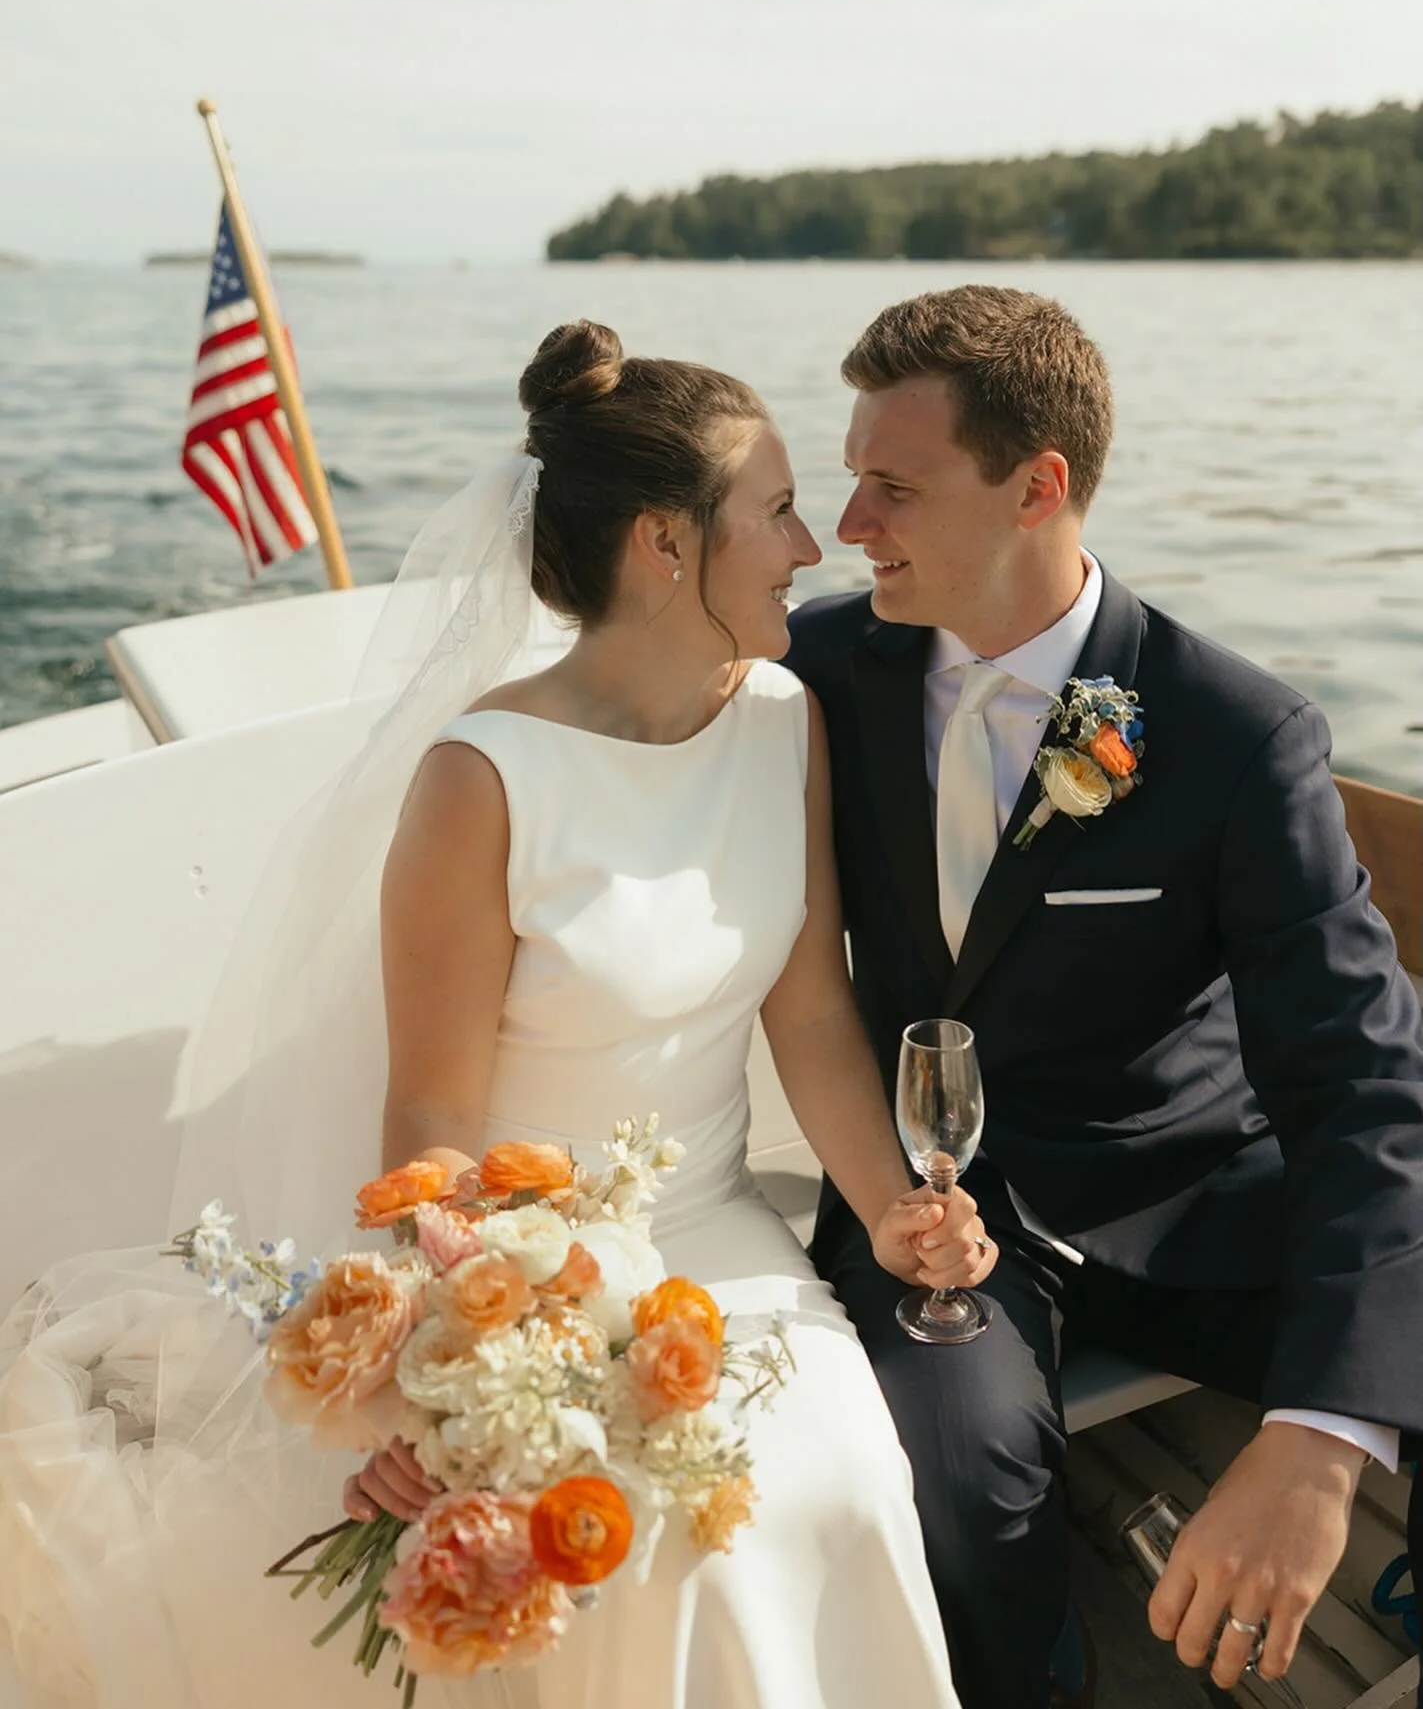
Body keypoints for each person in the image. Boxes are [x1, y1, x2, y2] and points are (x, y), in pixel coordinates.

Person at [0, 321, 964, 1709]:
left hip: (718, 1235)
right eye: (777, 512)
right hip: (521, 1266)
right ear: (665, 542)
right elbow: (432, 1110)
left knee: (846, 1483)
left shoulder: (780, 718)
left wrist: (884, 1213)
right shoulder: (481, 780)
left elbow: (809, 1016)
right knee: (659, 1552)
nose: (811, 548)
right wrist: (439, 1361)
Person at [783, 283, 1423, 1709]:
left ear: (1037, 487)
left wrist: (1324, 1439)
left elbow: (1359, 1084)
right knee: (946, 1485)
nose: (849, 526)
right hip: (937, 1215)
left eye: (894, 488)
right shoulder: (814, 675)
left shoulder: (1232, 733)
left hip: (1192, 1193)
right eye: (850, 481)